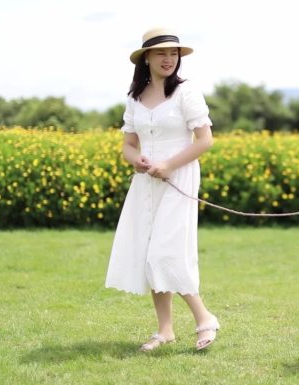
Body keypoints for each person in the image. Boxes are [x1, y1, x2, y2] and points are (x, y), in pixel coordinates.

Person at [105, 27, 219, 352]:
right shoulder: (134, 98)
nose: (169, 59)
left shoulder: (187, 92)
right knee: (148, 253)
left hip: (179, 178)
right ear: (147, 58)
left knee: (165, 252)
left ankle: (205, 318)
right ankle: (165, 330)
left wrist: (168, 165)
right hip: (145, 183)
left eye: (173, 54)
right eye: (161, 53)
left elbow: (205, 140)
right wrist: (136, 161)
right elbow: (127, 145)